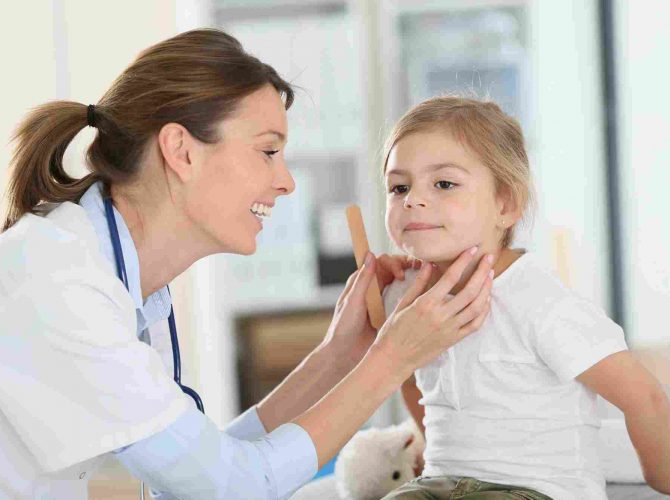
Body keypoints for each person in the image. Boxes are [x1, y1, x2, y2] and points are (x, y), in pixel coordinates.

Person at [0, 29, 495, 499]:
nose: (286, 182)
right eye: (268, 151)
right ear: (181, 151)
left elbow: (196, 477)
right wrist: (392, 358)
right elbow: (232, 486)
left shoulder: (115, 277)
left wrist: (339, 357)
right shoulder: (59, 283)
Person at [378, 96, 670, 499]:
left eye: (444, 183)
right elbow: (409, 377)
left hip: (536, 490)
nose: (412, 199)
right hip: (441, 481)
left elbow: (644, 397)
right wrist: (428, 445)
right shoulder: (402, 296)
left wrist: (662, 479)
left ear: (506, 204)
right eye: (399, 187)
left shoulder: (540, 301)